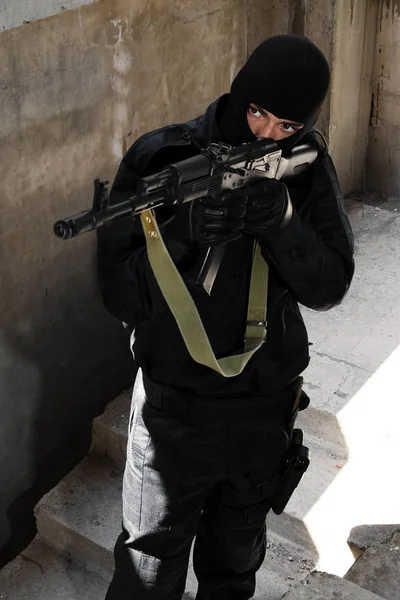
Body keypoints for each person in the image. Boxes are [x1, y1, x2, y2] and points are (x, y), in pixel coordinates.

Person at [97, 34, 354, 600]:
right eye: (257, 111)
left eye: (287, 126)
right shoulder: (162, 157)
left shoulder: (307, 167)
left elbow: (330, 286)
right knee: (146, 573)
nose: (264, 133)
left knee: (233, 569)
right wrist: (180, 236)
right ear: (239, 92)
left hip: (263, 411)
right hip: (174, 409)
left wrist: (285, 224)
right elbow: (118, 295)